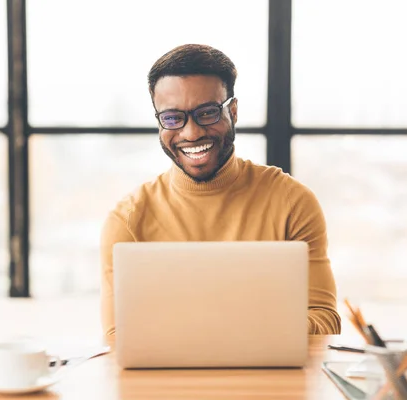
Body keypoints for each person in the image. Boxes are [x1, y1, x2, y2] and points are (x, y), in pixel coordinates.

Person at [100, 44, 340, 337]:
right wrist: (247, 327)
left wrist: (224, 330)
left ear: (233, 111)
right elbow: (117, 338)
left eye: (207, 113)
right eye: (173, 118)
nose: (191, 133)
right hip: (168, 382)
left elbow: (326, 322)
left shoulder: (292, 202)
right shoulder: (127, 220)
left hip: (270, 379)